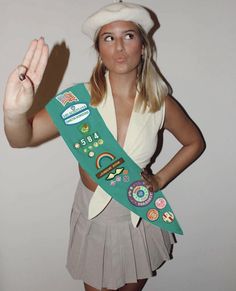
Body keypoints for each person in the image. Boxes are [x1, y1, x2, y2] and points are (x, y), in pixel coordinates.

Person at [3, 1, 205, 291]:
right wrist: (13, 114)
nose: (119, 47)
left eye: (129, 36)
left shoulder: (160, 103)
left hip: (136, 215)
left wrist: (160, 178)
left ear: (144, 46)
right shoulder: (78, 101)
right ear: (99, 50)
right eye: (109, 38)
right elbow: (22, 138)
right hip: (94, 216)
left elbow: (194, 142)